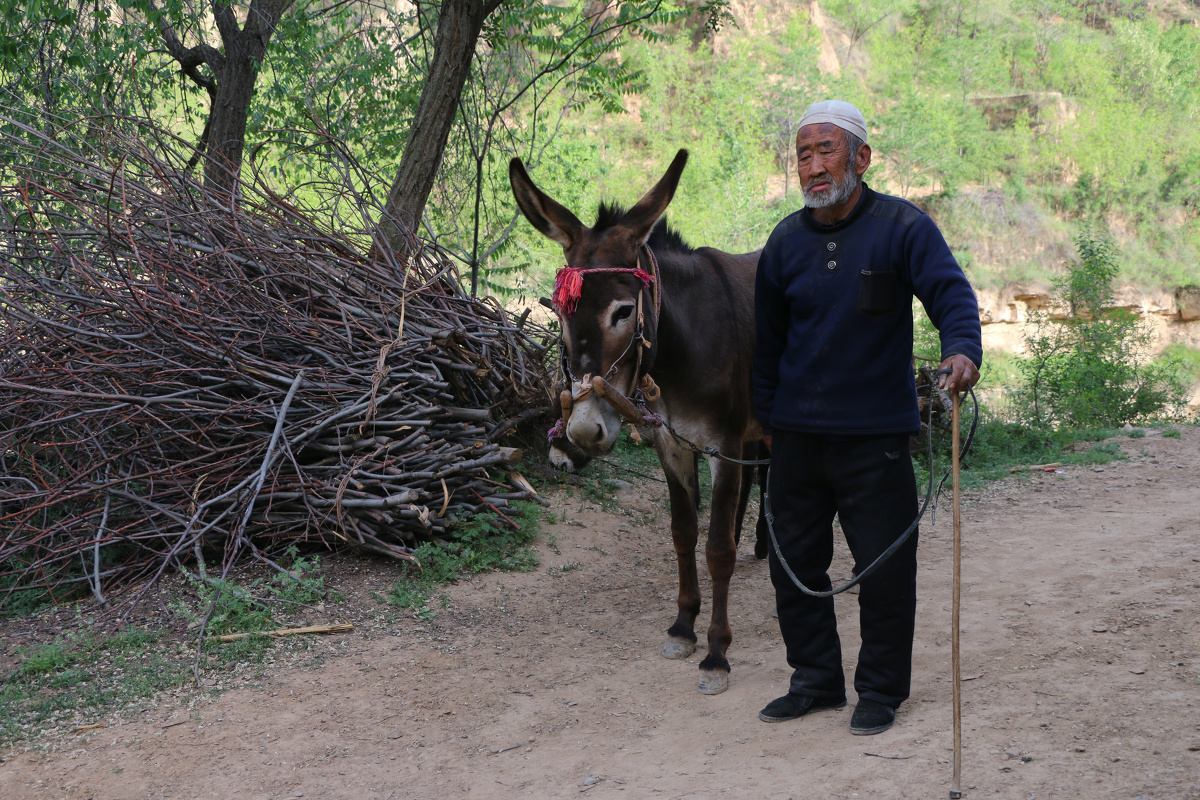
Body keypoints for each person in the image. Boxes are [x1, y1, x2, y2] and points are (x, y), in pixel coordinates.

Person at [752, 100, 982, 736]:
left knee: (883, 568)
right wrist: (766, 418)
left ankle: (879, 691)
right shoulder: (785, 242)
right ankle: (815, 681)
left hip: (874, 437)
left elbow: (952, 296)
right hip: (796, 437)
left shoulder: (902, 228)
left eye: (826, 150)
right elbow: (767, 344)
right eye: (803, 153)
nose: (814, 166)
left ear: (861, 157)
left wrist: (962, 350)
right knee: (793, 565)